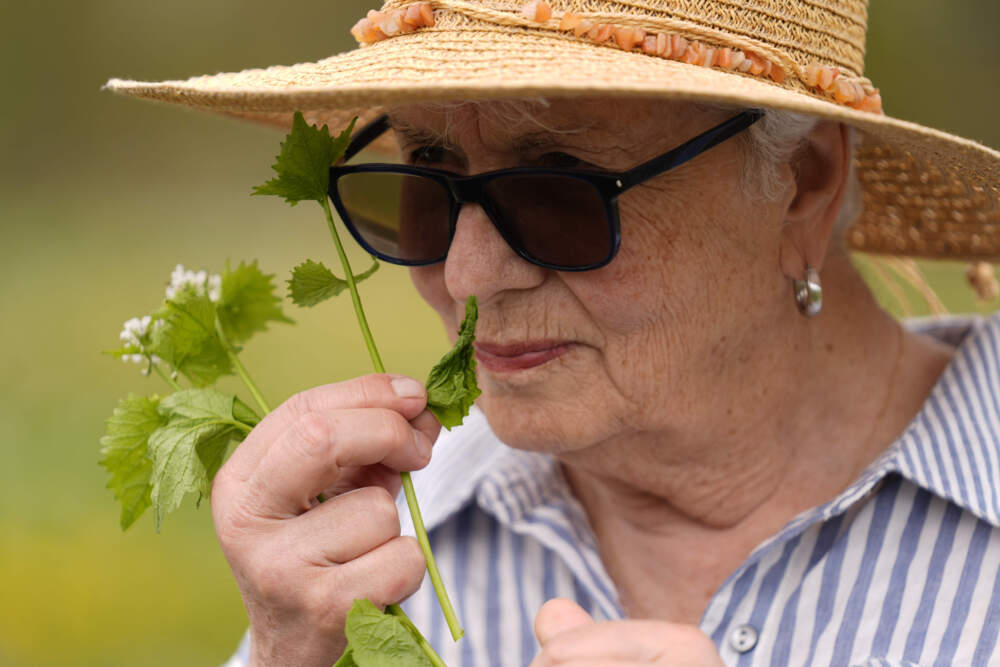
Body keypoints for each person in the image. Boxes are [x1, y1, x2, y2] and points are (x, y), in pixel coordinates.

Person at [106, 0, 1000, 664]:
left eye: (559, 187)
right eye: (430, 173)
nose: (467, 274)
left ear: (802, 182)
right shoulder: (393, 543)